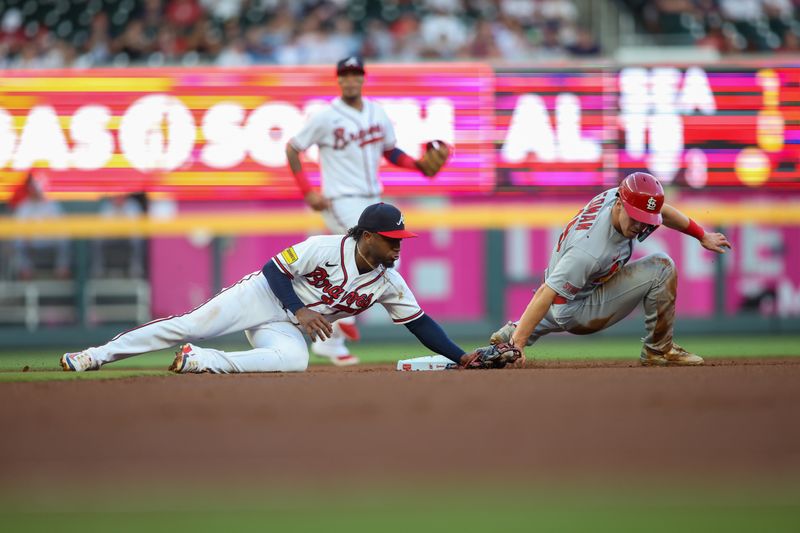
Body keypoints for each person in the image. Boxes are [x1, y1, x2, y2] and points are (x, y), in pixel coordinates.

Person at [60, 203, 518, 373]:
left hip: (288, 325)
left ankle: (200, 363)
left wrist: (462, 357)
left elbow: (421, 325)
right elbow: (274, 269)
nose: (399, 247)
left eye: (402, 240)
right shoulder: (324, 246)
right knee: (188, 323)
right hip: (261, 295)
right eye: (393, 240)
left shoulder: (388, 282)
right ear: (369, 237)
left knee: (295, 361)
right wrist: (298, 311)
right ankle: (94, 356)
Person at [285, 55, 447, 366]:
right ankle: (341, 321)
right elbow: (293, 147)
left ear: (362, 78)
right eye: (344, 75)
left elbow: (389, 150)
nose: (350, 79)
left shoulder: (377, 112)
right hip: (340, 198)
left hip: (372, 197)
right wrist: (308, 191)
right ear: (338, 80)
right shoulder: (326, 116)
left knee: (376, 262)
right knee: (375, 259)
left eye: (355, 74)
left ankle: (332, 339)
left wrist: (416, 166)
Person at [489, 172, 732, 366]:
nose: (639, 225)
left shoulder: (620, 196)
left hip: (574, 290)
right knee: (661, 267)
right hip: (574, 308)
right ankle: (659, 351)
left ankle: (513, 332)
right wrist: (518, 346)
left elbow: (661, 211)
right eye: (635, 217)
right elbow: (546, 293)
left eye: (645, 220)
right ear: (619, 203)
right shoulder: (590, 249)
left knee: (571, 289)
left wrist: (701, 235)